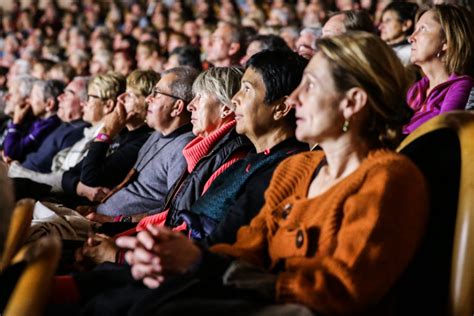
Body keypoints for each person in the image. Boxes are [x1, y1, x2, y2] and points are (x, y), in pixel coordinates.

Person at [113, 32, 429, 315]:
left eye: (312, 85)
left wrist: (202, 265)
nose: (294, 99)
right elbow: (248, 247)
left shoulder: (390, 177)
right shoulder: (296, 169)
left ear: (353, 102)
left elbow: (340, 291)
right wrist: (181, 256)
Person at [404, 4, 474, 134]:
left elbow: (441, 136)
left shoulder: (461, 87)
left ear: (446, 41)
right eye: (415, 29)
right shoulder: (416, 89)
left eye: (422, 29)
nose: (411, 38)